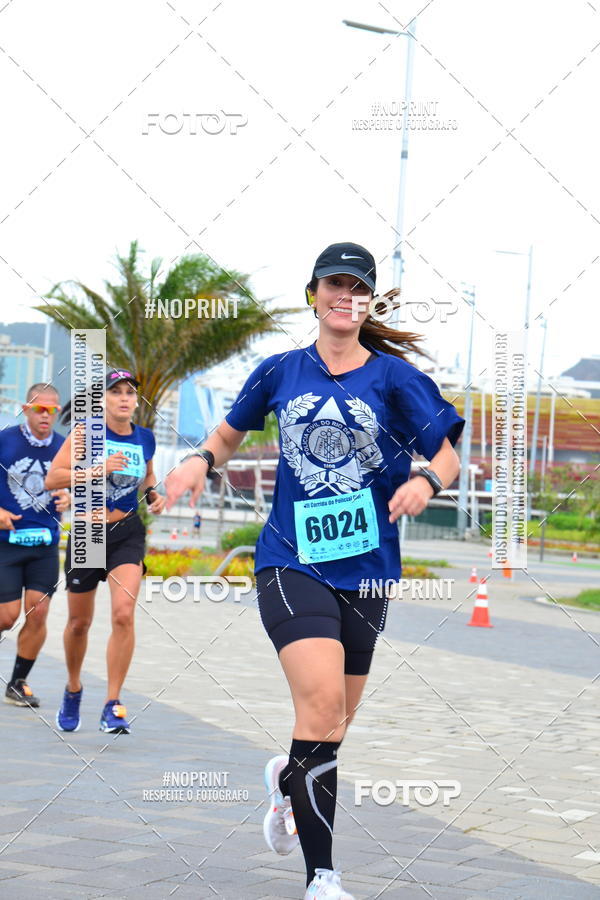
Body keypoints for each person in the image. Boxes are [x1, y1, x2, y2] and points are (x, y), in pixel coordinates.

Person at [164, 242, 464, 900]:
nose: (345, 295)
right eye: (335, 283)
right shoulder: (280, 372)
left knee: (333, 725)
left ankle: (286, 784)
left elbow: (447, 457)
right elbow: (226, 436)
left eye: (359, 286)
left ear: (368, 301)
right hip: (288, 561)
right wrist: (197, 463)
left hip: (367, 570)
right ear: (315, 293)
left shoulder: (394, 379)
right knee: (322, 705)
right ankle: (321, 877)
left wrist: (426, 482)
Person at [45, 368, 165, 734]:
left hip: (127, 532)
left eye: (130, 392)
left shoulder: (145, 438)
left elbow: (146, 478)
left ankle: (113, 703)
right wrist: (97, 470)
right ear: (103, 399)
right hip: (87, 533)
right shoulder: (86, 434)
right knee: (79, 623)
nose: (125, 398)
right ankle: (73, 687)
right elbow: (54, 478)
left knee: (124, 614)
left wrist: (154, 496)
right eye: (117, 392)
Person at [0, 384, 70, 708]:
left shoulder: (64, 447)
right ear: (26, 408)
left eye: (52, 410)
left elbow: (80, 486)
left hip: (45, 543)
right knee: (6, 616)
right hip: (6, 543)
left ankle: (17, 682)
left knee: (38, 611)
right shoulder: (5, 440)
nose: (46, 416)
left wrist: (69, 497)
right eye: (39, 409)